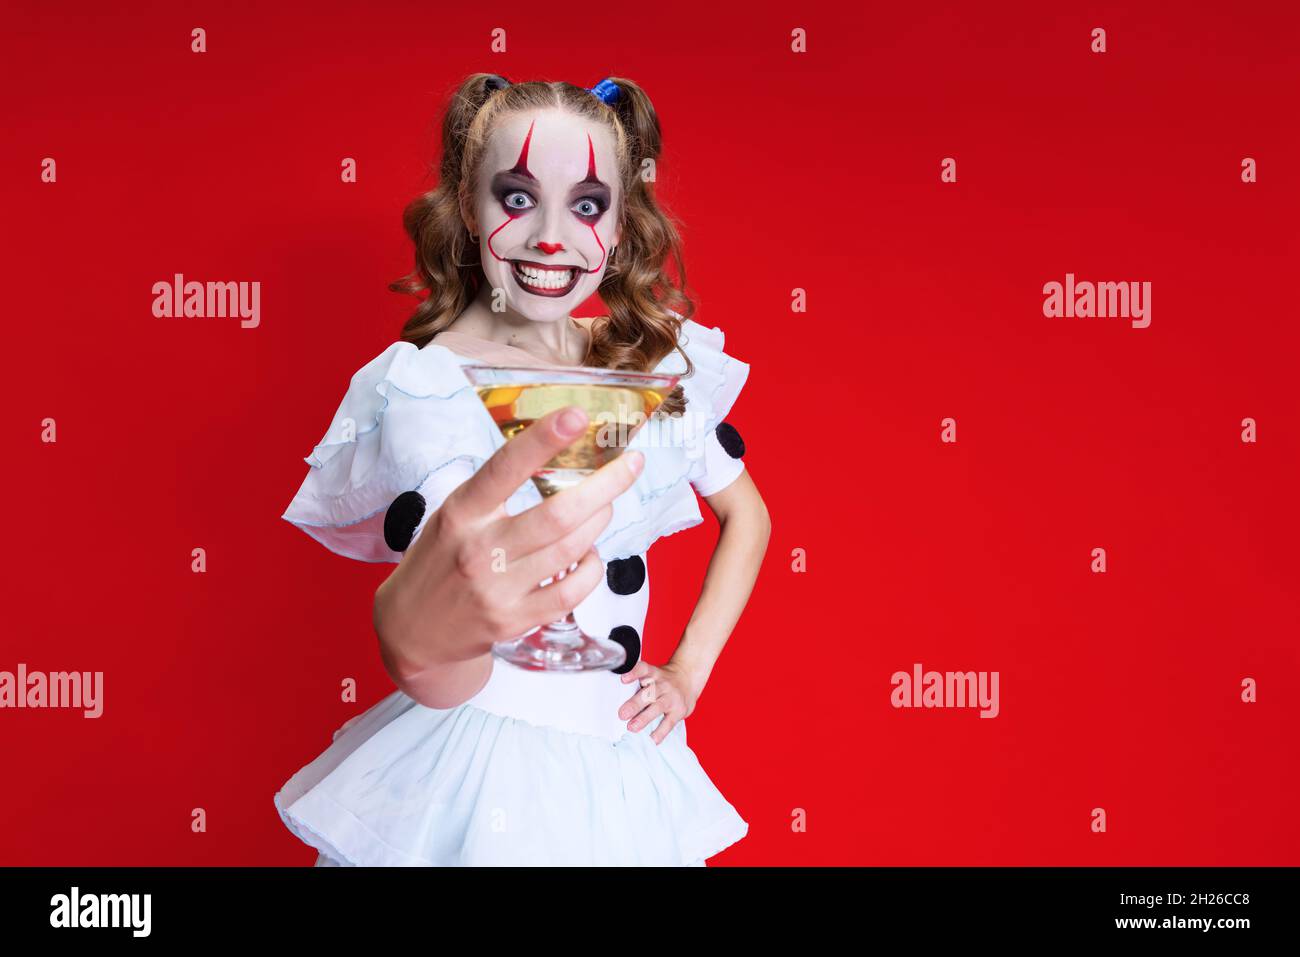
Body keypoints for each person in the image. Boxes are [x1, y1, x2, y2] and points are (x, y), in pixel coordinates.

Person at [273, 73, 770, 866]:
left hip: (614, 755)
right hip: (470, 757)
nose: (549, 236)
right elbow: (431, 612)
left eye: (585, 204)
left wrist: (687, 673)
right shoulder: (420, 386)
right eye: (514, 197)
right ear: (468, 209)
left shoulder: (647, 364)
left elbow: (749, 515)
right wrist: (417, 644)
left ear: (618, 221)